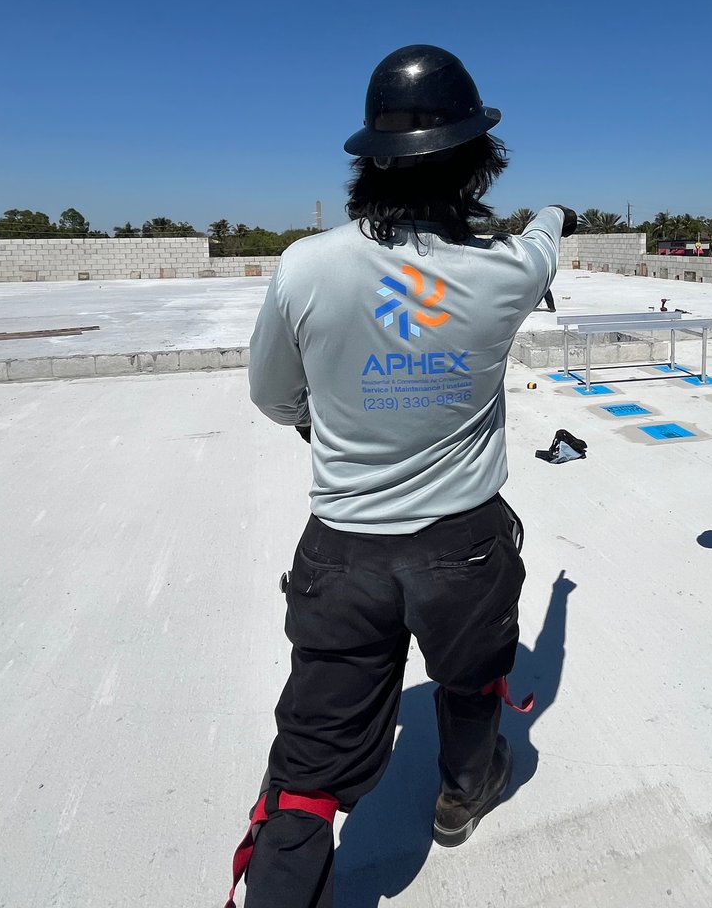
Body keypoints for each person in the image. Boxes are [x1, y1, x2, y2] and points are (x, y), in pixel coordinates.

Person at [228, 44, 576, 908]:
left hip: (343, 555)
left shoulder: (306, 266)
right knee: (469, 679)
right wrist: (556, 211)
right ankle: (462, 792)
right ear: (475, 162)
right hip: (463, 547)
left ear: (369, 163)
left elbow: (272, 398)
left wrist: (332, 421)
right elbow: (543, 238)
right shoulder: (506, 273)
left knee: (308, 771)